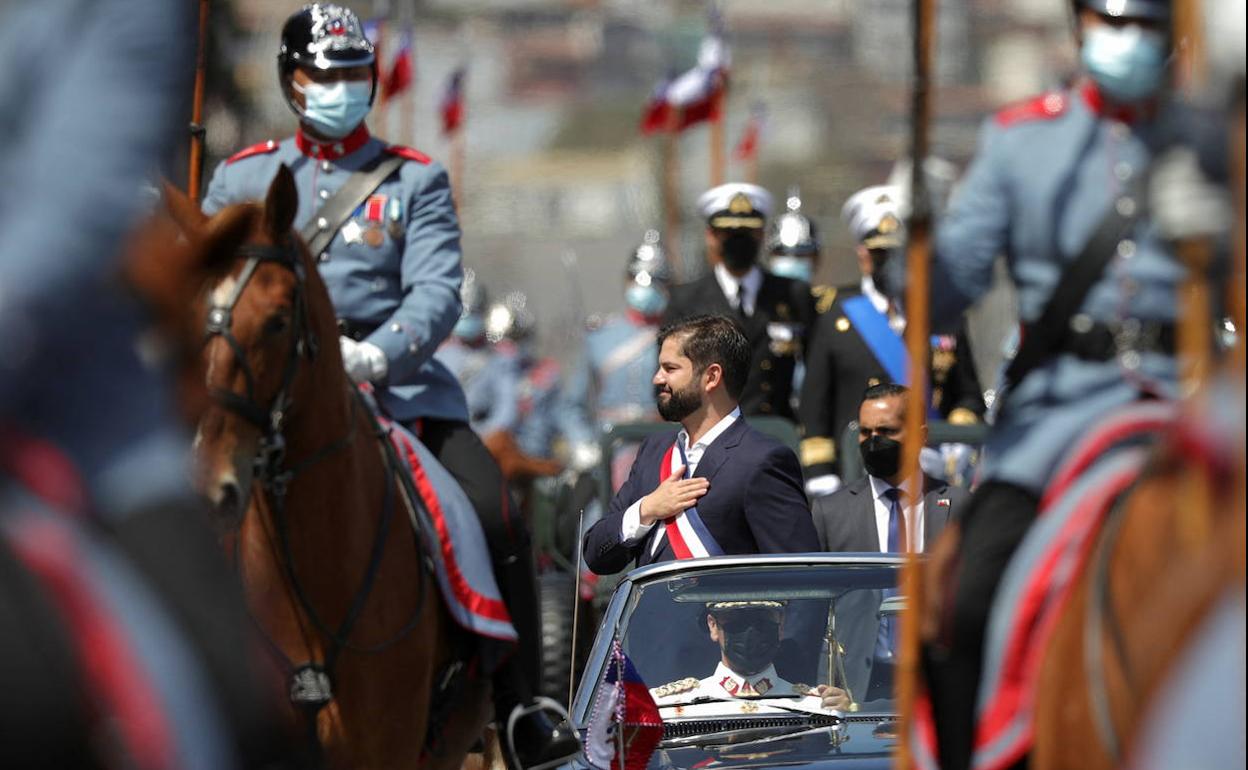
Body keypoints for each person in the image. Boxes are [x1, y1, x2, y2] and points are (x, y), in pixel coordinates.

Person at [201, 5, 575, 766]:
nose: (339, 87)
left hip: (396, 394)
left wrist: (373, 356)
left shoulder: (414, 179)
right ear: (292, 80)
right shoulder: (241, 178)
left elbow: (437, 292)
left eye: (352, 74)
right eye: (322, 75)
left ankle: (525, 709)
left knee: (492, 508)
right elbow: (203, 283)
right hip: (261, 398)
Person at [878, 1, 1226, 767]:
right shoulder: (1020, 143)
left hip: (1188, 400)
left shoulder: (1209, 140)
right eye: (1114, 18)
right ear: (1080, 24)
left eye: (1147, 21)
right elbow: (943, 298)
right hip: (1061, 412)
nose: (1131, 36)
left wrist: (1226, 241)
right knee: (964, 603)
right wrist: (920, 245)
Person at [581, 315, 819, 575]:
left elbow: (801, 577)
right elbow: (595, 553)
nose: (657, 379)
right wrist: (647, 509)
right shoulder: (654, 450)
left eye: (670, 369)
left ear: (711, 377)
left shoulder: (762, 460)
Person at [798, 185, 985, 496]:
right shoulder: (835, 315)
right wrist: (820, 472)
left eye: (895, 254)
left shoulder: (940, 312)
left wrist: (957, 437)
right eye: (878, 253)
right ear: (862, 253)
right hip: (856, 472)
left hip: (929, 472)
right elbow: (815, 403)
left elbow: (968, 393)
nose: (887, 264)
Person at [811, 384, 971, 707]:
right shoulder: (831, 512)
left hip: (935, 682)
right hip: (855, 685)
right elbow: (812, 610)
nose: (874, 441)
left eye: (887, 431)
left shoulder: (959, 507)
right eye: (866, 431)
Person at [662, 184, 815, 422]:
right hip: (708, 434)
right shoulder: (686, 300)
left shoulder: (792, 294)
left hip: (774, 433)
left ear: (762, 235)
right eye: (729, 234)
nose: (739, 242)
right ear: (710, 236)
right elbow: (669, 379)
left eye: (747, 233)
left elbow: (816, 372)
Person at [435, 270, 520, 439]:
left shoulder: (500, 358)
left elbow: (507, 408)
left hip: (483, 434)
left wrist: (486, 435)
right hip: (444, 433)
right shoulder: (438, 354)